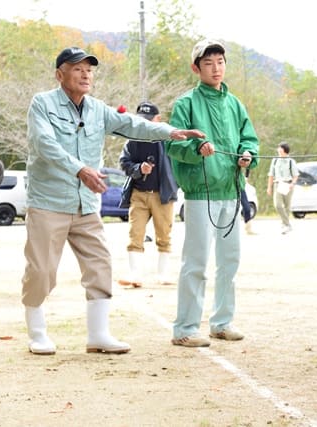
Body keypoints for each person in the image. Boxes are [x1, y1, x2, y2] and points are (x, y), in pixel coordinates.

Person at [23, 46, 204, 355]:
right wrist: (80, 169)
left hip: (86, 205)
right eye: (77, 68)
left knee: (100, 265)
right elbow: (44, 144)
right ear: (59, 74)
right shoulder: (42, 104)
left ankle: (98, 335)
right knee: (41, 270)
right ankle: (37, 334)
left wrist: (172, 131)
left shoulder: (97, 109)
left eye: (89, 69)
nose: (85, 74)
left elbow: (135, 125)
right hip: (48, 202)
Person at [164, 39, 259, 347]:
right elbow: (173, 143)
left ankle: (222, 322)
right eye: (208, 63)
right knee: (196, 262)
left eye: (220, 62)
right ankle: (185, 329)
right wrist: (196, 148)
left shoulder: (236, 104)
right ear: (196, 68)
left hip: (231, 190)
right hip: (199, 193)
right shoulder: (186, 103)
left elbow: (250, 138)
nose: (216, 68)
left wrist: (248, 154)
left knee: (230, 261)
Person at [118, 101, 178, 287]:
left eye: (149, 120)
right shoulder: (133, 139)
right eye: (142, 120)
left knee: (164, 236)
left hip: (164, 195)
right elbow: (124, 162)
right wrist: (138, 168)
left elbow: (181, 162)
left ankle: (163, 274)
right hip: (139, 193)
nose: (145, 124)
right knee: (135, 235)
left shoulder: (169, 138)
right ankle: (135, 275)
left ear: (158, 119)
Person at [266, 142, 299, 234]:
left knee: (287, 206)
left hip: (288, 184)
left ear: (284, 150)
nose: (278, 149)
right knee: (278, 205)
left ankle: (285, 225)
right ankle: (287, 224)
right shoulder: (275, 160)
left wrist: (292, 183)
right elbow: (271, 175)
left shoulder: (291, 161)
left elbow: (295, 175)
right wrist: (269, 187)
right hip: (278, 184)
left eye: (280, 148)